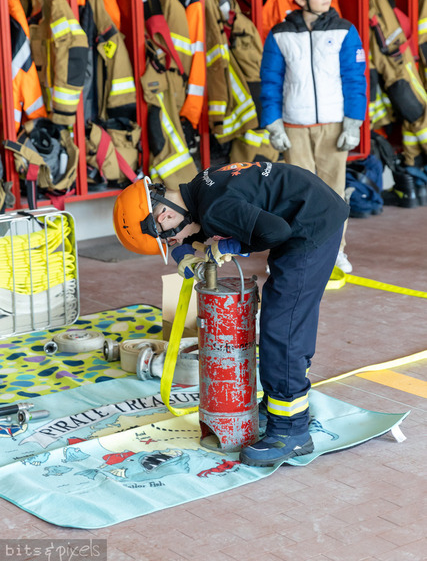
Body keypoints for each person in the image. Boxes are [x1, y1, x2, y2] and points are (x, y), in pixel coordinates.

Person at [113, 161, 349, 466]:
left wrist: (232, 245)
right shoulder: (199, 188)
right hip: (305, 206)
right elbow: (199, 225)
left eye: (167, 239)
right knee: (282, 317)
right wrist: (184, 253)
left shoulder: (215, 208)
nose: (171, 243)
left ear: (165, 215)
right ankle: (278, 406)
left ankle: (291, 431)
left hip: (312, 224)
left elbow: (276, 231)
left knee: (283, 328)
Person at [260, 0, 367, 274]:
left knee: (334, 194)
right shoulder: (279, 35)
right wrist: (273, 124)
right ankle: (292, 255)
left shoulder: (345, 31)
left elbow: (355, 79)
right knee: (294, 196)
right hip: (294, 128)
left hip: (334, 126)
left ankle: (335, 252)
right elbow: (270, 82)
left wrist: (353, 123)